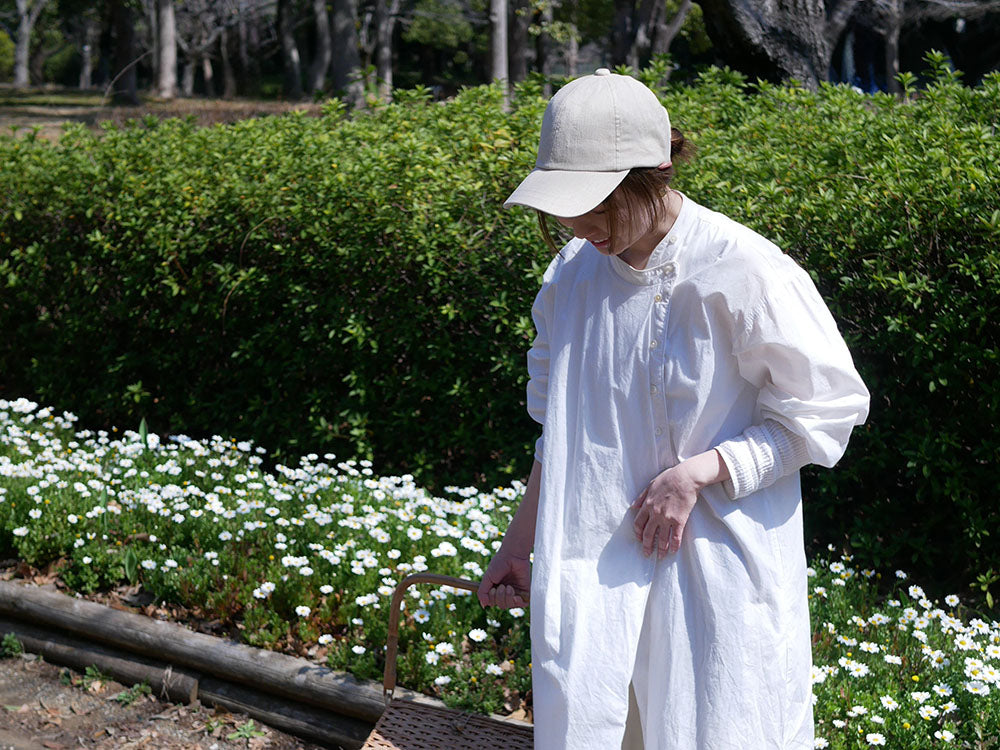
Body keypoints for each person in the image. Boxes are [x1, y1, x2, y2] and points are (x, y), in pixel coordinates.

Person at [476, 68, 871, 750]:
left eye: (596, 202)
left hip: (713, 571)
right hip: (594, 571)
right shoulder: (571, 277)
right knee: (598, 724)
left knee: (715, 723)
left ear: (655, 173)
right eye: (566, 204)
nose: (577, 223)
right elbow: (562, 433)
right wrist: (521, 540)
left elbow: (824, 412)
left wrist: (700, 473)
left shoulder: (744, 270)